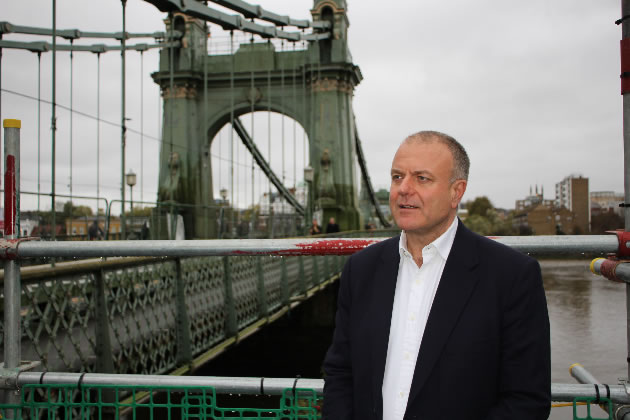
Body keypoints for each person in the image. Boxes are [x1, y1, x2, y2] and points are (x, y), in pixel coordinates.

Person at [322, 131, 550, 420]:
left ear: (456, 192)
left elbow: (526, 400)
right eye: (396, 177)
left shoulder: (512, 276)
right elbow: (341, 372)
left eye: (422, 178)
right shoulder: (360, 269)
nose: (403, 188)